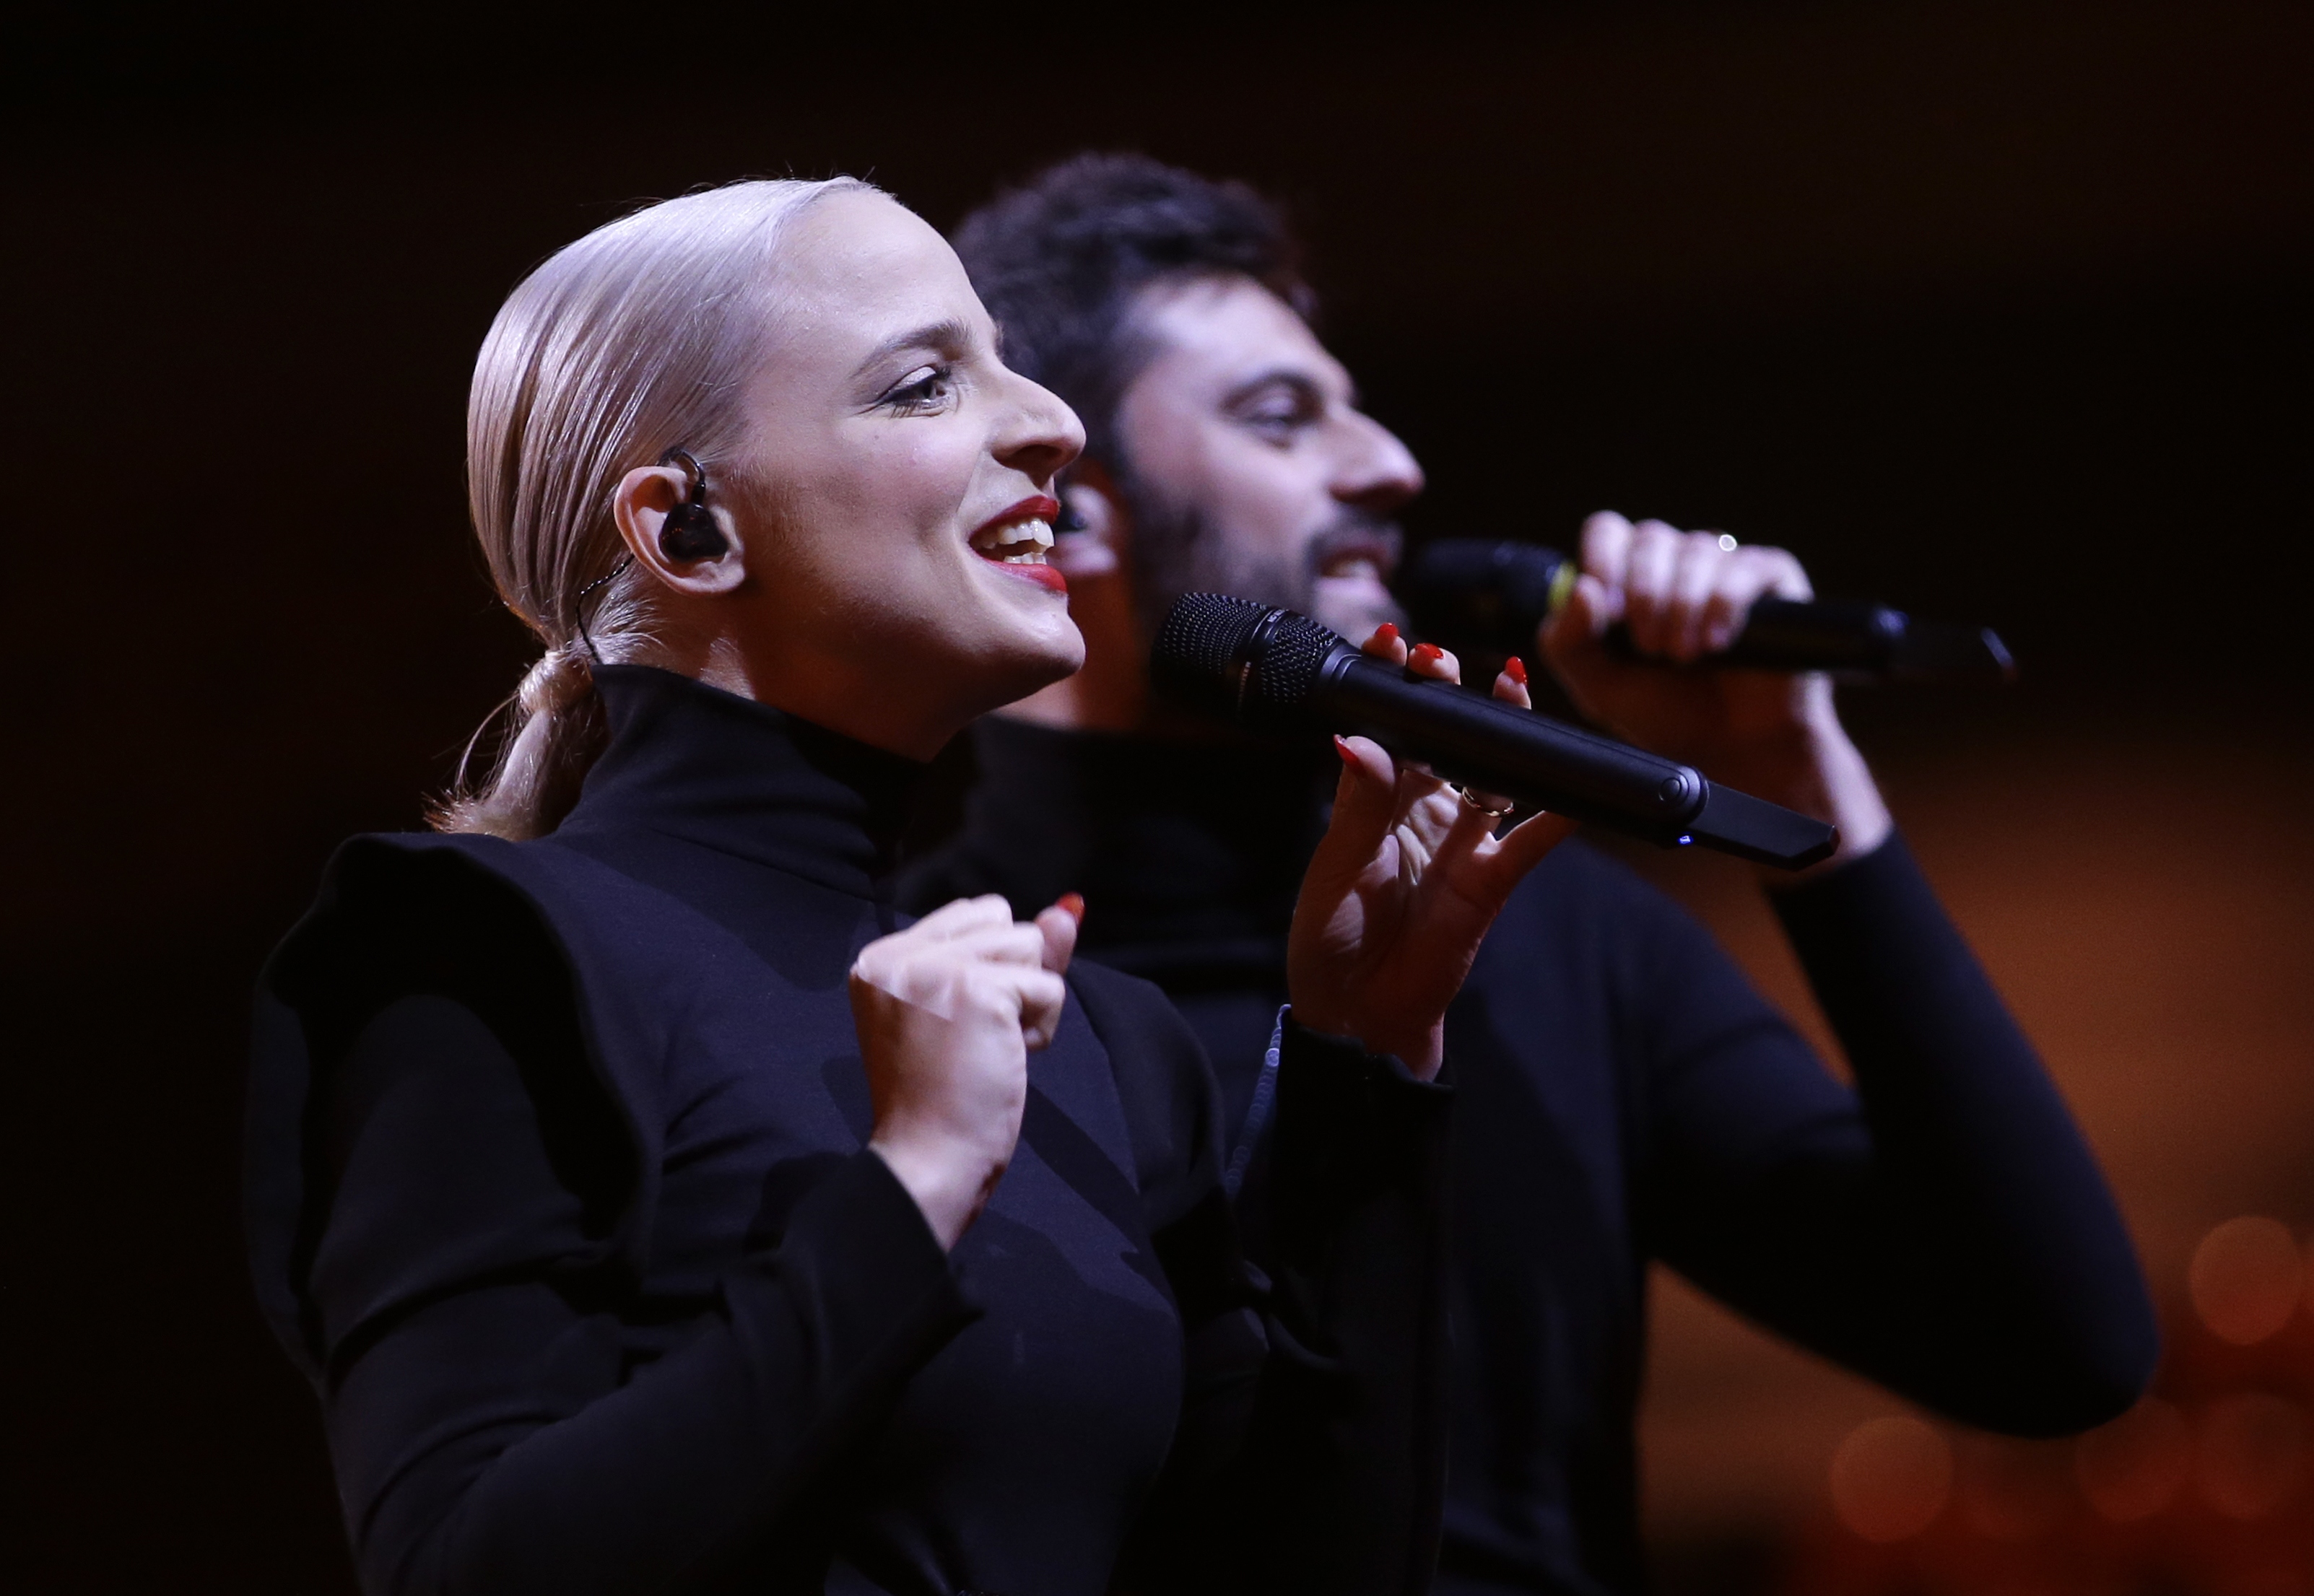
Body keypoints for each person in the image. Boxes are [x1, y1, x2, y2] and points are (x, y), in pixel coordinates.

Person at [244, 177, 1579, 1596]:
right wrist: (916, 1182)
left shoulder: (1106, 1042)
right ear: (687, 529)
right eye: (924, 384)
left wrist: (1363, 1065)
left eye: (1005, 361)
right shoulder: (476, 954)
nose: (1052, 422)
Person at [903, 154, 2162, 1596]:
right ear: (1062, 511)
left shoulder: (1547, 936)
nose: (1390, 464)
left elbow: (2054, 1348)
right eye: (1279, 417)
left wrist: (1799, 773)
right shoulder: (914, 984)